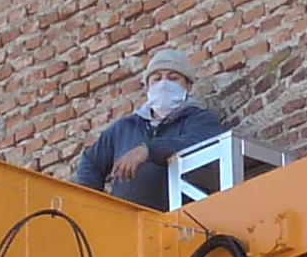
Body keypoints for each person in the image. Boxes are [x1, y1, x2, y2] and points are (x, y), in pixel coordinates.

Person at [74, 46, 228, 211]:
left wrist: (148, 150)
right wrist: (92, 205)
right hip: (124, 224)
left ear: (188, 85)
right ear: (147, 87)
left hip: (183, 222)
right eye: (157, 78)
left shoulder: (200, 119)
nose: (164, 84)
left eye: (173, 78)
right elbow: (90, 162)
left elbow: (205, 142)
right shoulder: (124, 128)